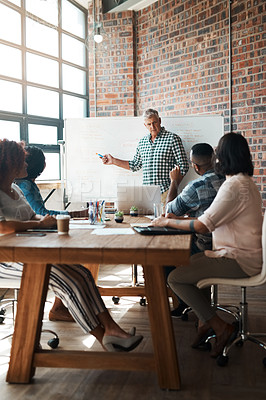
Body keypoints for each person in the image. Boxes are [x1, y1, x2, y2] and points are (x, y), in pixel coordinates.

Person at [0, 139, 143, 352]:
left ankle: (112, 329)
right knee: (69, 282)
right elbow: (3, 227)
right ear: (10, 164)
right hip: (8, 259)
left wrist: (44, 220)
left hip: (33, 252)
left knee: (83, 274)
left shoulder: (16, 189)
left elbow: (33, 216)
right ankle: (104, 337)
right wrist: (39, 222)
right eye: (22, 161)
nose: (27, 166)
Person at [152, 133, 262, 358]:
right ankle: (205, 322)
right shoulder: (244, 183)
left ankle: (221, 327)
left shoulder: (233, 187)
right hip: (241, 253)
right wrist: (180, 221)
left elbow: (203, 226)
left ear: (223, 156)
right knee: (189, 264)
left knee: (175, 278)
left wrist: (166, 221)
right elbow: (213, 219)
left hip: (237, 259)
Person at [15, 145, 90, 322]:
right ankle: (60, 307)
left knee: (76, 263)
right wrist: (74, 214)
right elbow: (39, 214)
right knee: (71, 259)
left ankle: (64, 306)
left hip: (34, 234)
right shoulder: (24, 185)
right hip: (30, 240)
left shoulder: (27, 183)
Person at [165, 143, 225, 318]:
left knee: (164, 255)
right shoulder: (229, 181)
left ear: (195, 166)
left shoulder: (196, 186)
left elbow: (169, 211)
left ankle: (186, 301)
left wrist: (174, 181)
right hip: (228, 244)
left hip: (204, 246)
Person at [100, 109, 189, 204]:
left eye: (154, 122)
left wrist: (173, 187)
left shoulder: (172, 139)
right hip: (147, 194)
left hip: (166, 192)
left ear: (159, 121)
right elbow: (135, 165)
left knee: (165, 218)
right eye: (149, 124)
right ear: (145, 125)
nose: (152, 126)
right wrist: (113, 161)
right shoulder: (142, 142)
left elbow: (184, 166)